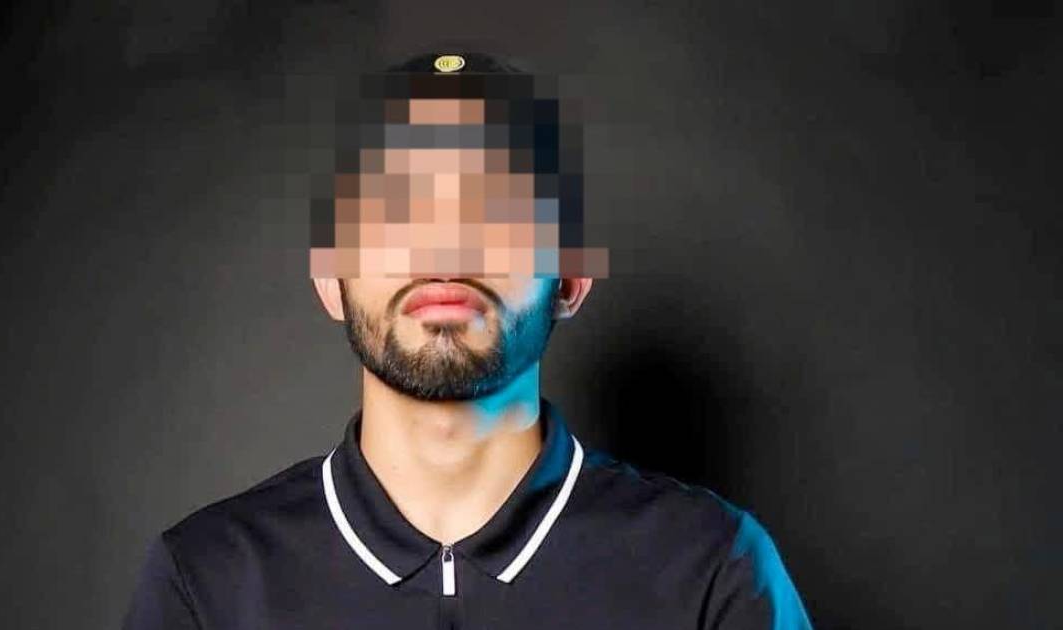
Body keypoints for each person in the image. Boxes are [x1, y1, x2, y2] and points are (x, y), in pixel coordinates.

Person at [121, 52, 813, 629]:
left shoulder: (714, 569)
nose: (443, 249)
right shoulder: (206, 581)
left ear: (571, 277)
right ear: (330, 281)